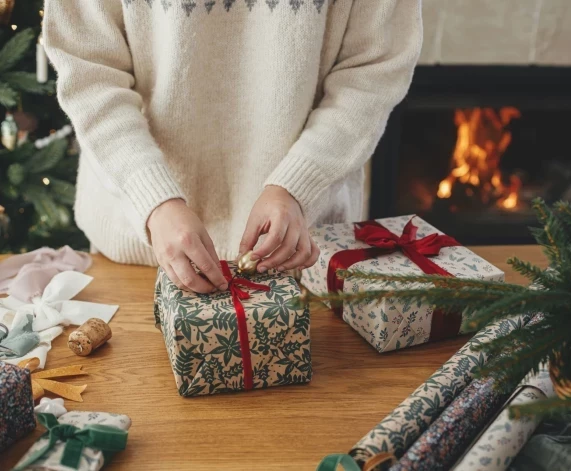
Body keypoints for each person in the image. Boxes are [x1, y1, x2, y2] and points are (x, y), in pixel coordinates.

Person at [43, 0, 422, 293]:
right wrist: (154, 199)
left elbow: (373, 71)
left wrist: (296, 185)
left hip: (306, 257)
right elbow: (89, 73)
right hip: (135, 253)